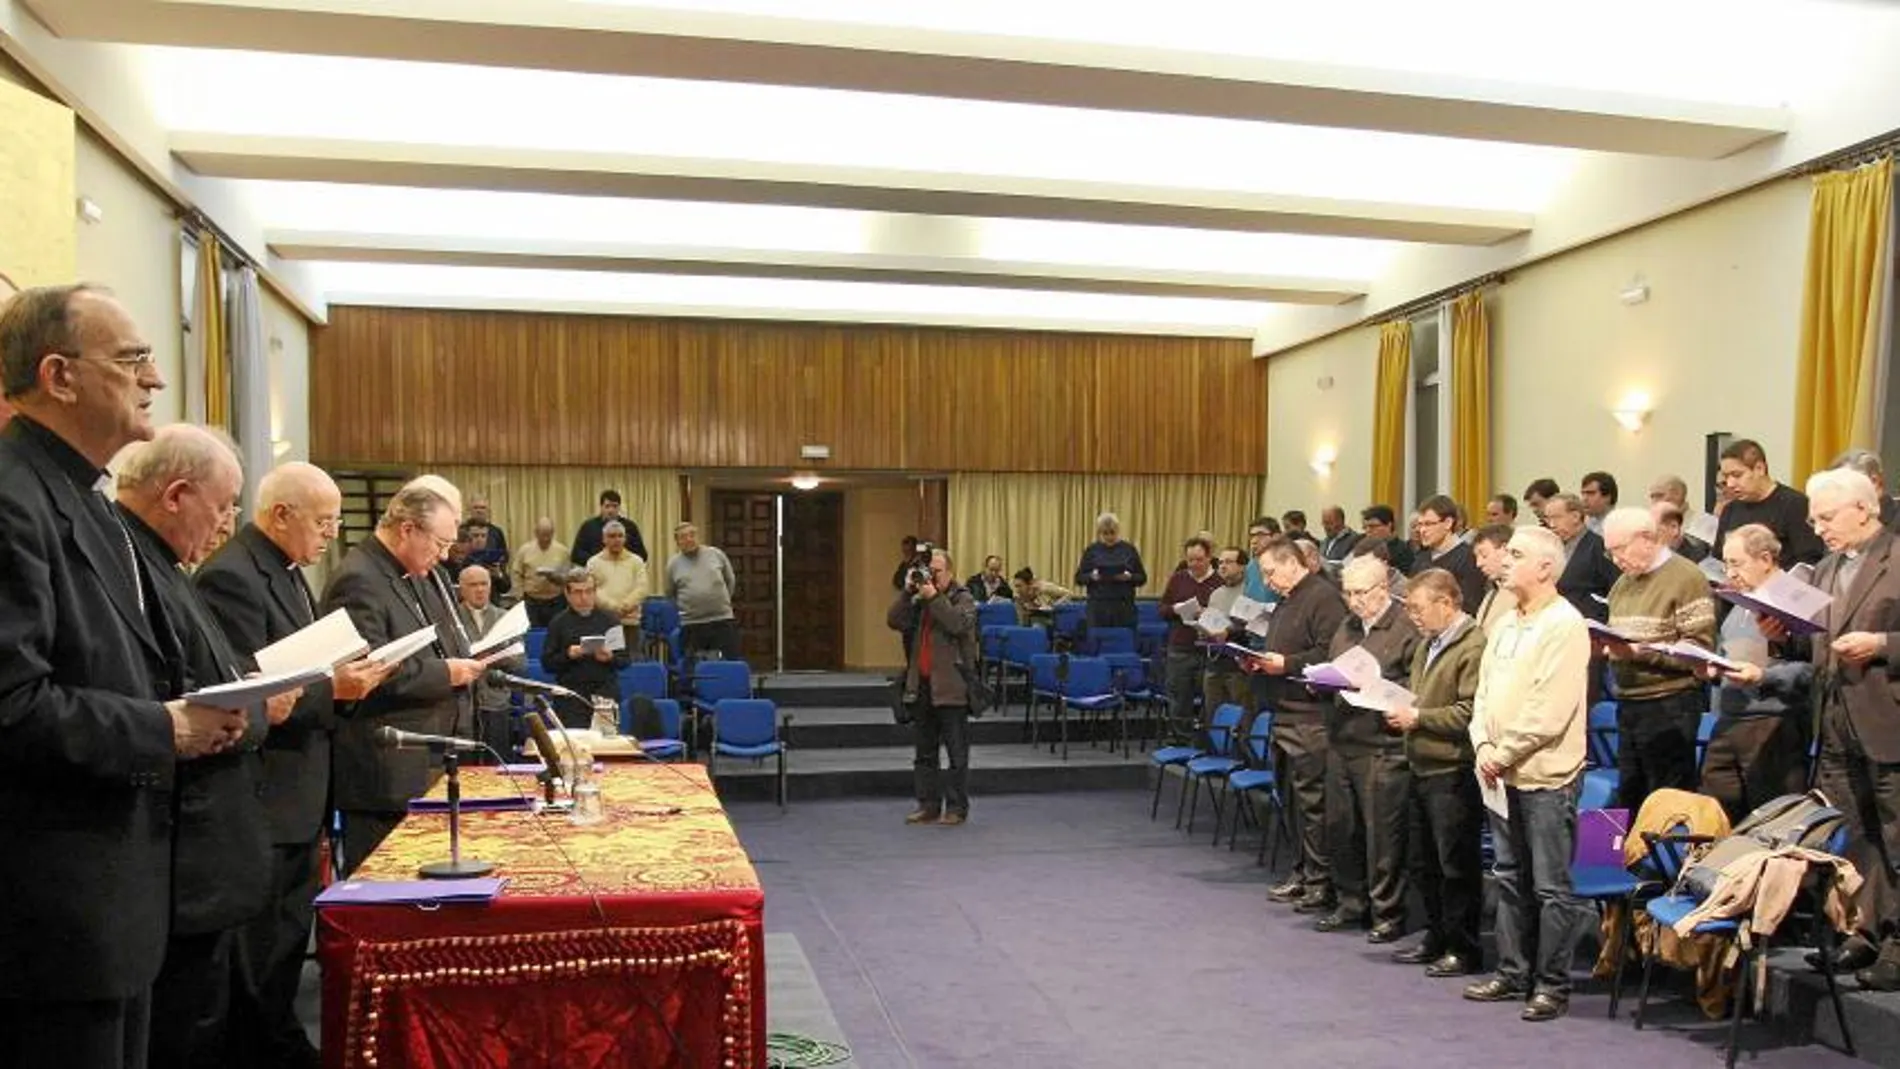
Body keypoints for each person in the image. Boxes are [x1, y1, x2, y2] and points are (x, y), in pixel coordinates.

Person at [0, 283, 251, 1069]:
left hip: (115, 908)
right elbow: (12, 704)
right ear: (59, 376)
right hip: (52, 914)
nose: (155, 379)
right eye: (134, 359)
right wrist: (168, 726)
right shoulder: (13, 497)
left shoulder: (86, 499)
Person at [195, 461, 393, 1069]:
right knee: (261, 948)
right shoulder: (232, 576)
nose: (332, 534)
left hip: (298, 790)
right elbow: (250, 693)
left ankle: (274, 1041)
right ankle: (262, 1049)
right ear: (281, 515)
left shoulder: (282, 568)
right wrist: (334, 690)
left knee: (284, 939)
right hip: (267, 793)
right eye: (325, 521)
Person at [116, 427, 288, 1069]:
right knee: (185, 1035)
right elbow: (185, 698)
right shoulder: (138, 565)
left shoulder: (167, 566)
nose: (228, 524)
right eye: (223, 506)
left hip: (207, 861)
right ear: (177, 495)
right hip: (185, 860)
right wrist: (254, 706)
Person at [322, 478, 484, 874]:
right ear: (408, 529)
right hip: (383, 774)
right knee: (386, 895)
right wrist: (443, 673)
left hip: (418, 765)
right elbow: (366, 675)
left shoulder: (407, 573)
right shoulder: (359, 578)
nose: (444, 557)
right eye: (440, 544)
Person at [1464, 527, 1593, 1022]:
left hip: (1545, 775)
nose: (1504, 563)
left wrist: (1503, 751)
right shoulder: (1505, 622)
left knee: (1550, 886)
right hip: (1499, 770)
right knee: (1510, 877)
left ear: (1545, 567)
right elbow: (1484, 695)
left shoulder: (1564, 623)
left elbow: (1550, 708)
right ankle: (1513, 971)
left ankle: (1551, 984)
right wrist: (1482, 744)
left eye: (1515, 555)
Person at [1803, 468, 1900, 988]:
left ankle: (1899, 945)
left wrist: (1881, 645)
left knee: (1896, 835)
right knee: (1858, 836)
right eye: (1814, 518)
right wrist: (1784, 633)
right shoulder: (1824, 567)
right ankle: (1866, 933)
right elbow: (1815, 641)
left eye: (1826, 516)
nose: (1818, 527)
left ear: (1864, 508)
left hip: (1887, 719)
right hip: (1837, 719)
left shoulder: (1897, 558)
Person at [1384, 568, 1486, 977]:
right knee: (1423, 860)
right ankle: (1436, 935)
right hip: (1421, 762)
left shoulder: (1473, 646)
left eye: (1418, 608)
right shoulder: (1429, 642)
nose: (1413, 616)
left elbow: (1470, 711)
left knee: (1455, 864)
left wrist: (1418, 717)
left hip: (1453, 767)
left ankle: (1464, 947)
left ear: (1447, 602)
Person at [1317, 556, 1421, 941]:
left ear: (1383, 589)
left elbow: (1418, 683)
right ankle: (1351, 903)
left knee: (1383, 835)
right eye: (1347, 593)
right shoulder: (1346, 627)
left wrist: (1378, 692)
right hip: (1344, 737)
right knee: (1342, 827)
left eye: (1361, 593)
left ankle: (1388, 913)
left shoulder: (1406, 625)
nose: (1353, 601)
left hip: (1384, 743)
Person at [1244, 538, 1349, 913]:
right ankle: (1303, 871)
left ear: (1292, 562)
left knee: (1313, 804)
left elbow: (1330, 654)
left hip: (1311, 717)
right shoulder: (1288, 600)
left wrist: (1284, 664)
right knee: (1291, 802)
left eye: (1271, 572)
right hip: (1285, 712)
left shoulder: (1323, 597)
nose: (1268, 581)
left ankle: (1321, 881)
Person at [1596, 506, 1717, 814]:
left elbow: (1699, 650)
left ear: (1647, 539)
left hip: (1670, 704)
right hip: (1629, 703)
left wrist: (1639, 652)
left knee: (1666, 800)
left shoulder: (1686, 576)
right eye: (1609, 551)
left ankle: (1667, 862)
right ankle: (1633, 862)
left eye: (1619, 549)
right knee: (1631, 794)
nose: (1614, 559)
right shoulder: (1622, 583)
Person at [1701, 524, 1812, 822]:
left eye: (1736, 563)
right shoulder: (1742, 601)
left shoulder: (1796, 596)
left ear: (1765, 559)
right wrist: (1713, 667)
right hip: (1729, 718)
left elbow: (1815, 668)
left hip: (1773, 722)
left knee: (1770, 819)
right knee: (1717, 816)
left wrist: (1763, 677)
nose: (1730, 573)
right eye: (1726, 564)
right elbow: (1731, 651)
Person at [887, 547, 979, 826]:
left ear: (950, 573)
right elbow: (894, 620)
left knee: (956, 754)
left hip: (953, 688)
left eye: (936, 572)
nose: (931, 576)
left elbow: (956, 624)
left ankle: (956, 808)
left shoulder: (963, 598)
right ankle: (928, 805)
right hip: (923, 686)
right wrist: (907, 592)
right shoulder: (918, 601)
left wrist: (934, 597)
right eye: (929, 572)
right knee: (924, 752)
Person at [1713, 438, 1825, 569]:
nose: (1730, 484)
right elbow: (1719, 557)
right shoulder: (1730, 509)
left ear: (1760, 468)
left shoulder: (1795, 504)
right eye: (1726, 477)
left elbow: (1808, 561)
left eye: (1737, 475)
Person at [541, 571, 633, 729]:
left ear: (595, 592)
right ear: (567, 594)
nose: (584, 597)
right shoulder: (558, 623)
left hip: (605, 694)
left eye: (589, 591)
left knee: (605, 745)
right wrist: (568, 655)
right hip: (571, 697)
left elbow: (624, 660)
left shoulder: (610, 620)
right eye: (577, 592)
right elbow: (547, 664)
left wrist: (610, 657)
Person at [457, 564, 527, 755]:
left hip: (496, 702)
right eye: (473, 585)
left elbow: (520, 662)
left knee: (496, 765)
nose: (479, 589)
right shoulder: (451, 618)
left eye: (484, 584)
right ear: (461, 588)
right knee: (465, 769)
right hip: (462, 705)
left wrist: (492, 658)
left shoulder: (505, 618)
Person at [1158, 536, 1220, 730]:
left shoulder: (1219, 582)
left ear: (1209, 558)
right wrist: (1176, 609)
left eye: (1199, 559)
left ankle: (1205, 739)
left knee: (1210, 699)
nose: (1194, 564)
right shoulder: (1179, 578)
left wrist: (1207, 613)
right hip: (1180, 647)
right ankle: (1178, 738)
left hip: (1209, 649)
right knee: (1178, 697)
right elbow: (1162, 608)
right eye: (1190, 560)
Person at [667, 522, 742, 663]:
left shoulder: (716, 554)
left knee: (730, 662)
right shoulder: (673, 564)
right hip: (691, 623)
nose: (689, 539)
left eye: (692, 535)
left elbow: (730, 581)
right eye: (683, 537)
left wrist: (720, 601)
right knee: (691, 668)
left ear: (698, 537)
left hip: (722, 619)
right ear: (677, 542)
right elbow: (671, 592)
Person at [1543, 493, 1615, 623]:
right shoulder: (1550, 548)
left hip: (1589, 624)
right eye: (1548, 519)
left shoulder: (1599, 547)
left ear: (1576, 516)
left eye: (1557, 518)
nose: (1551, 525)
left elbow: (1615, 588)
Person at [1410, 495, 1487, 613]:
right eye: (1420, 525)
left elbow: (1469, 606)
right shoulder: (1421, 558)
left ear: (1448, 523)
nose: (1422, 530)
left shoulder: (1469, 558)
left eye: (1428, 524)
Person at [1200, 547, 1253, 714]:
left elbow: (1251, 627)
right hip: (1215, 661)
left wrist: (1229, 632)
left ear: (1242, 566)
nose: (1222, 566)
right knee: (1213, 714)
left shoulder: (1250, 591)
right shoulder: (1215, 594)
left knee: (1240, 715)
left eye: (1229, 562)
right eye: (1220, 562)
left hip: (1239, 664)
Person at [1074, 512, 1146, 629]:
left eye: (1112, 533)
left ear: (1117, 531)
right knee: (1098, 642)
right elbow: (1078, 578)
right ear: (1099, 533)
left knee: (1123, 640)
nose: (1109, 537)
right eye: (1105, 533)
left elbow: (1142, 578)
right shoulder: (1092, 550)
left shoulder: (1129, 550)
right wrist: (1091, 576)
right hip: (1098, 607)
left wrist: (1130, 577)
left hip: (1124, 606)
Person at [586, 519, 648, 653]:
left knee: (631, 666)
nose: (617, 540)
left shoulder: (636, 561)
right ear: (604, 539)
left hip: (630, 622)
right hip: (603, 623)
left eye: (620, 536)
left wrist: (626, 605)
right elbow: (591, 590)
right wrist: (614, 607)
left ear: (625, 539)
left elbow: (642, 588)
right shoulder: (593, 562)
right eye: (612, 536)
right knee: (604, 665)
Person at [510, 516, 571, 627]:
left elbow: (568, 577)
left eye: (549, 535)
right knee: (532, 631)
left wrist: (555, 577)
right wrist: (518, 595)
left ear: (553, 533)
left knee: (555, 629)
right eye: (543, 535)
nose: (546, 538)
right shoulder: (525, 550)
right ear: (536, 533)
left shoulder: (562, 551)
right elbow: (516, 574)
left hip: (556, 601)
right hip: (532, 601)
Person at [571, 488, 646, 565]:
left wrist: (623, 560)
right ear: (601, 507)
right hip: (596, 571)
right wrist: (600, 561)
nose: (611, 510)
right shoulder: (588, 527)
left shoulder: (630, 526)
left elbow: (642, 555)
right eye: (607, 506)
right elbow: (576, 555)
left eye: (614, 506)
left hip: (624, 571)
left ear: (619, 507)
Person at [1470, 523, 1520, 635]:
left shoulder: (1523, 595)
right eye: (1476, 557)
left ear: (1505, 549)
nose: (1479, 564)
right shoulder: (1491, 595)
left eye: (1484, 555)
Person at [1359, 505, 1415, 574]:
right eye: (1365, 527)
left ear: (1389, 525)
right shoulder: (1360, 543)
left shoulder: (1403, 551)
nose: (1368, 530)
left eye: (1373, 526)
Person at [463, 494, 509, 570]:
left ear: (488, 511)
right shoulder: (460, 530)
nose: (479, 510)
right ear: (469, 510)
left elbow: (504, 556)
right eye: (476, 507)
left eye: (483, 508)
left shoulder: (496, 532)